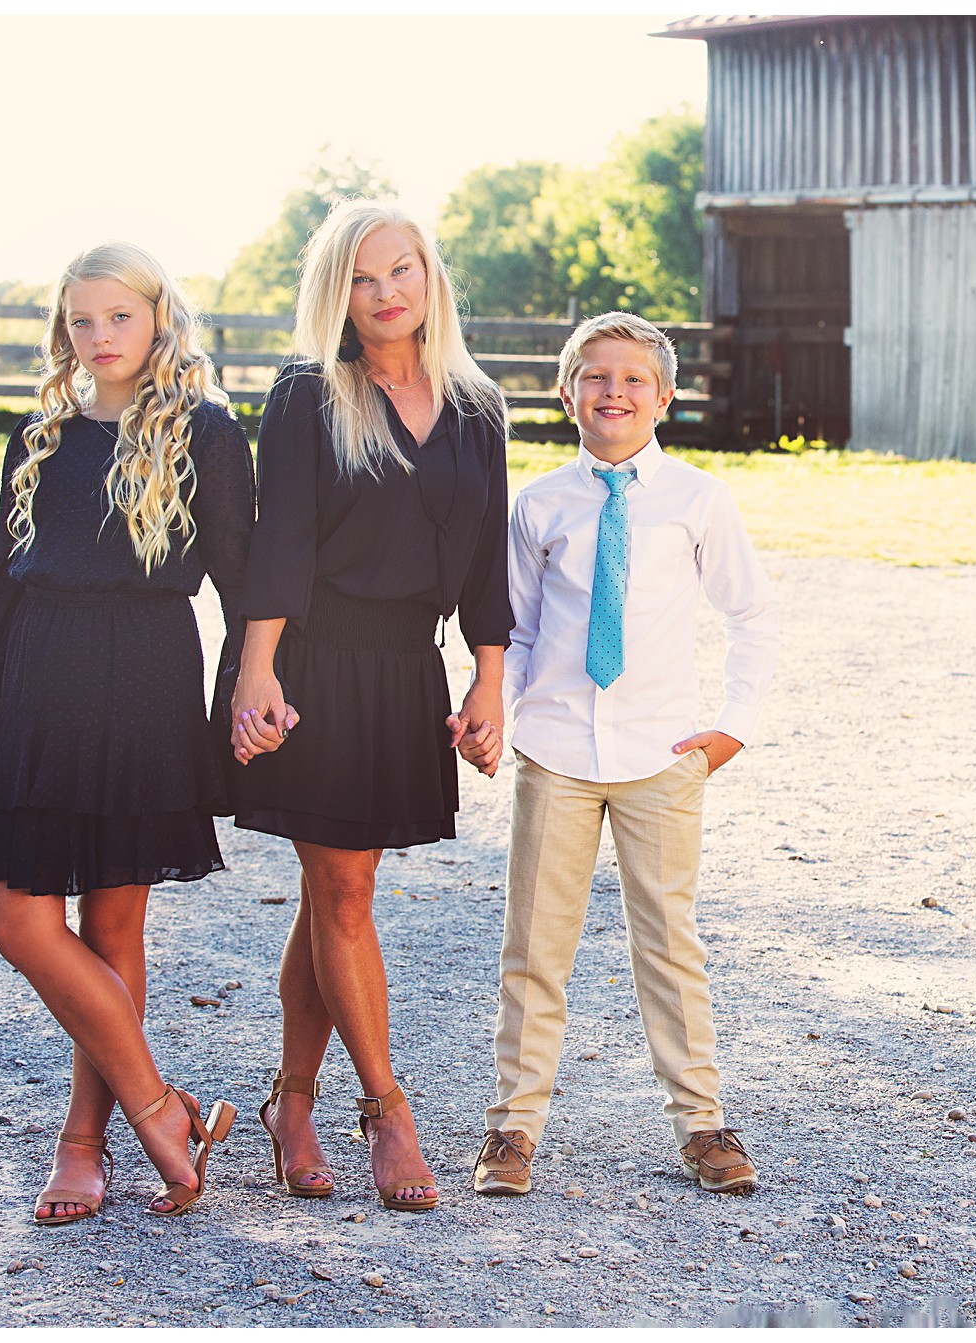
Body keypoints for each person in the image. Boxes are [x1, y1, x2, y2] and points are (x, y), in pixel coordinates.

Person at [0, 242, 249, 1222]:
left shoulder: (204, 431)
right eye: (81, 320)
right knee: (20, 918)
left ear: (158, 318)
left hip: (145, 682)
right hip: (40, 681)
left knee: (113, 925)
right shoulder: (40, 434)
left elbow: (244, 581)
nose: (98, 336)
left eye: (117, 316)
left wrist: (258, 687)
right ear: (63, 330)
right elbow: (2, 578)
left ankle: (84, 1142)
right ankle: (159, 1105)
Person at [227, 200, 510, 1212]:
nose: (385, 292)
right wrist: (255, 672)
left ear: (430, 275)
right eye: (360, 277)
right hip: (311, 663)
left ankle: (289, 1102)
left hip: (405, 668)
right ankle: (387, 1110)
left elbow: (486, 557)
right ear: (333, 293)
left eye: (401, 269)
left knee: (333, 893)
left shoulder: (479, 406)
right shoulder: (309, 393)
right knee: (344, 892)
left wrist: (488, 676)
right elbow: (283, 541)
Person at [474, 312, 778, 1198]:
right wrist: (506, 710)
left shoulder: (696, 499)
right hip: (559, 751)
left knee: (669, 940)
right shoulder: (539, 505)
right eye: (596, 377)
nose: (615, 392)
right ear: (567, 394)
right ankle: (512, 1129)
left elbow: (751, 613)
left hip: (661, 753)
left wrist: (733, 724)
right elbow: (518, 628)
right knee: (534, 943)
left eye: (634, 380)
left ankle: (702, 1121)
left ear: (665, 398)